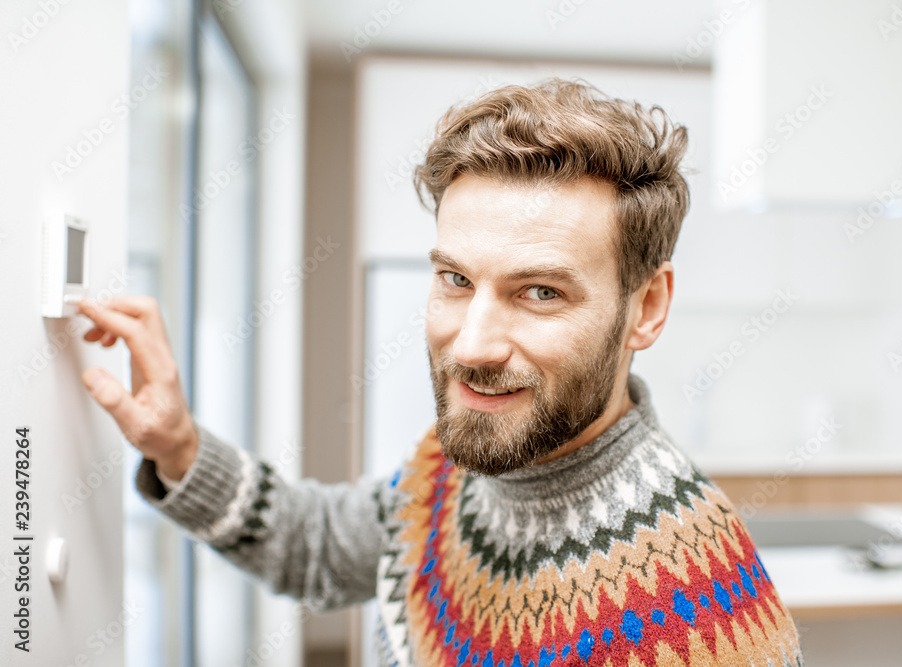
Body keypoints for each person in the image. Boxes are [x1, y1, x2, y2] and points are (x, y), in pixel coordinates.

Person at [78, 78, 803, 666]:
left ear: (646, 307)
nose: (474, 346)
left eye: (540, 292)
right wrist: (177, 446)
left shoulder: (696, 629)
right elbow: (324, 546)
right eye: (456, 279)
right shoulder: (467, 456)